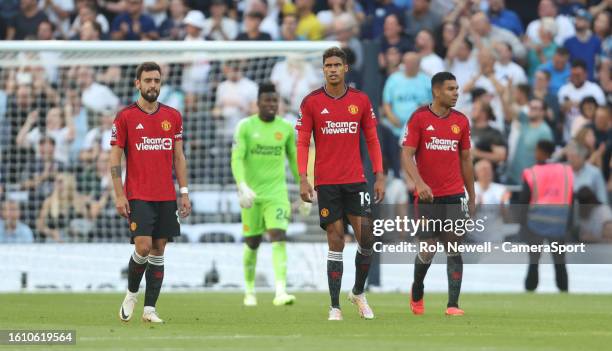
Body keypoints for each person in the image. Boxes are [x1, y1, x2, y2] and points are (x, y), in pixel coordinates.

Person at [296, 47, 385, 320]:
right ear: (323, 69)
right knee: (335, 240)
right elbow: (302, 141)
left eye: (337, 64)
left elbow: (371, 138)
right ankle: (335, 306)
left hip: (356, 180)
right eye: (328, 65)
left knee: (367, 237)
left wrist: (379, 174)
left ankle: (358, 292)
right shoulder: (311, 102)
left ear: (346, 68)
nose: (332, 69)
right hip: (327, 183)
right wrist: (303, 178)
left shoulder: (360, 100)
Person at [111, 62, 191, 324]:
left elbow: (179, 158)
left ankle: (149, 310)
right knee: (143, 246)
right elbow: (114, 159)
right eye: (148, 80)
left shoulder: (173, 116)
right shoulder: (125, 117)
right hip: (138, 194)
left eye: (156, 80)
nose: (152, 85)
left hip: (166, 195)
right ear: (138, 84)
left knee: (159, 250)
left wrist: (185, 192)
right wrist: (119, 194)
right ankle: (132, 293)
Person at [401, 71, 475, 316]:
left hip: (454, 194)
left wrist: (471, 196)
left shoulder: (461, 121)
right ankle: (417, 289)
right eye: (451, 89)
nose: (456, 93)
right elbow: (406, 154)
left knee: (454, 246)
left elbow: (466, 160)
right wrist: (419, 183)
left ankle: (453, 304)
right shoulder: (420, 118)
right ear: (436, 91)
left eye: (457, 88)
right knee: (428, 249)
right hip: (427, 197)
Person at [231, 82, 304, 307]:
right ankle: (249, 290)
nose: (272, 105)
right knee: (252, 243)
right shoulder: (245, 126)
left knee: (278, 236)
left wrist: (304, 186)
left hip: (276, 194)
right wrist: (242, 186)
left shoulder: (286, 128)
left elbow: (293, 159)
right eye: (267, 101)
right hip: (251, 195)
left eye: (275, 101)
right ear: (258, 103)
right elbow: (237, 158)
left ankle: (280, 291)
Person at [520, 140, 573, 292]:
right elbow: (571, 195)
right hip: (559, 221)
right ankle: (564, 291)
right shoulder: (565, 171)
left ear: (541, 152)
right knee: (559, 260)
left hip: (535, 223)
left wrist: (522, 224)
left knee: (534, 260)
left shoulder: (532, 172)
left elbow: (523, 200)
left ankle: (530, 290)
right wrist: (568, 223)